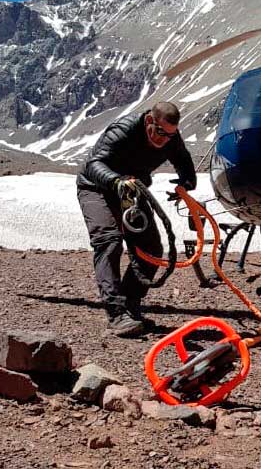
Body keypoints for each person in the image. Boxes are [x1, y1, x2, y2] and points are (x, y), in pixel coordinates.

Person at [76, 101, 196, 337]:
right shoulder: (124, 129)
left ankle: (131, 306)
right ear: (150, 121)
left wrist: (186, 182)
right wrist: (115, 181)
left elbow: (182, 159)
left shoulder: (170, 137)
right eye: (160, 132)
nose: (164, 140)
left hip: (131, 189)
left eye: (170, 135)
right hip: (97, 188)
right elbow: (93, 164)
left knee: (151, 248)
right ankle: (116, 313)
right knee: (108, 241)